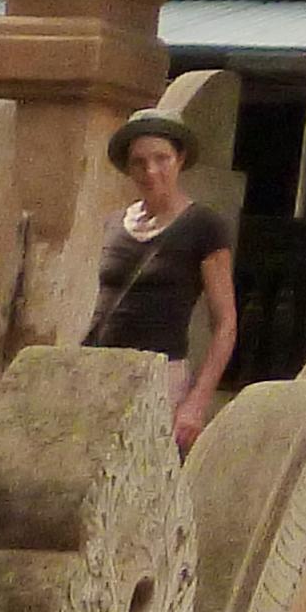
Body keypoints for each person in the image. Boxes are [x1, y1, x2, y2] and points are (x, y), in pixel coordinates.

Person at [82, 109, 238, 446]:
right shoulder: (113, 224)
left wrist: (196, 403)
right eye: (139, 162)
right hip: (100, 368)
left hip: (160, 375)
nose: (151, 171)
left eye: (162, 159)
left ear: (179, 159)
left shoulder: (204, 226)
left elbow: (225, 324)